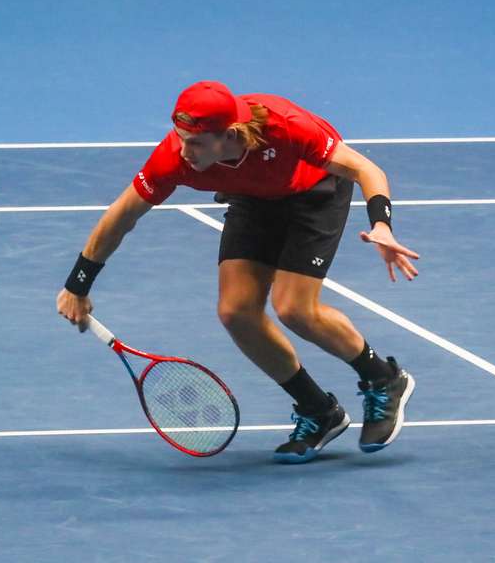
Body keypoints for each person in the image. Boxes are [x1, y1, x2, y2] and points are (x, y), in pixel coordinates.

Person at [56, 80, 420, 463]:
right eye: (180, 137)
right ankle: (318, 410)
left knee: (295, 309)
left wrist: (382, 225)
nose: (184, 150)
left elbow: (365, 168)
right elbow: (122, 215)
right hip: (255, 201)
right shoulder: (174, 158)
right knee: (236, 313)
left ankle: (383, 378)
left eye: (195, 142)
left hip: (314, 193)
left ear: (228, 136)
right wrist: (78, 284)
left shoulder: (287, 127)